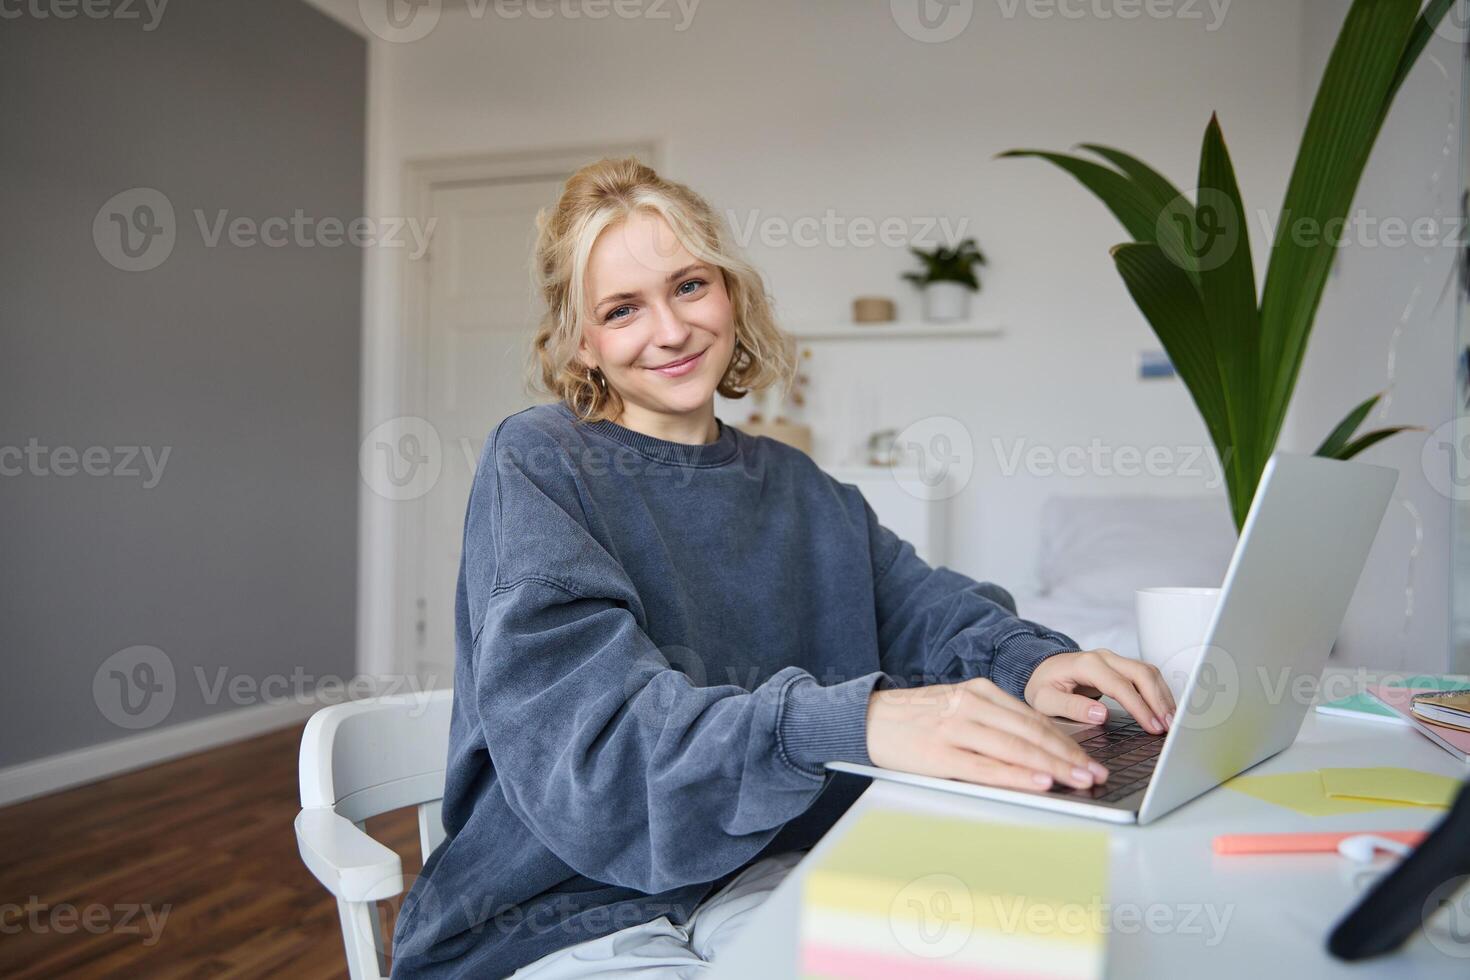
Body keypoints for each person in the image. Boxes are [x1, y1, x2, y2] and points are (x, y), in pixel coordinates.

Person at [390, 157, 1175, 979]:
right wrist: (857, 723)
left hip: (754, 871)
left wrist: (1035, 661)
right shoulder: (542, 462)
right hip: (558, 908)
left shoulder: (801, 486)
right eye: (623, 309)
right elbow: (605, 751)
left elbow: (925, 611)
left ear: (730, 292)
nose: (670, 330)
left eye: (689, 286)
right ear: (581, 342)